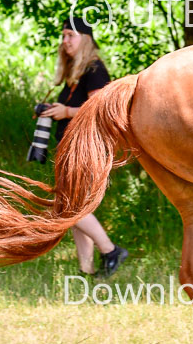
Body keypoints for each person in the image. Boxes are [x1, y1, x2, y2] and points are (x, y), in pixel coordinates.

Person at [40, 16, 129, 277]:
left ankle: (111, 251)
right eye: (64, 36)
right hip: (72, 147)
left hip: (87, 148)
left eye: (70, 35)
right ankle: (86, 269)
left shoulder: (94, 70)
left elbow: (100, 111)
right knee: (76, 208)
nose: (65, 41)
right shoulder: (75, 73)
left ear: (85, 39)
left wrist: (66, 111)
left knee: (69, 207)